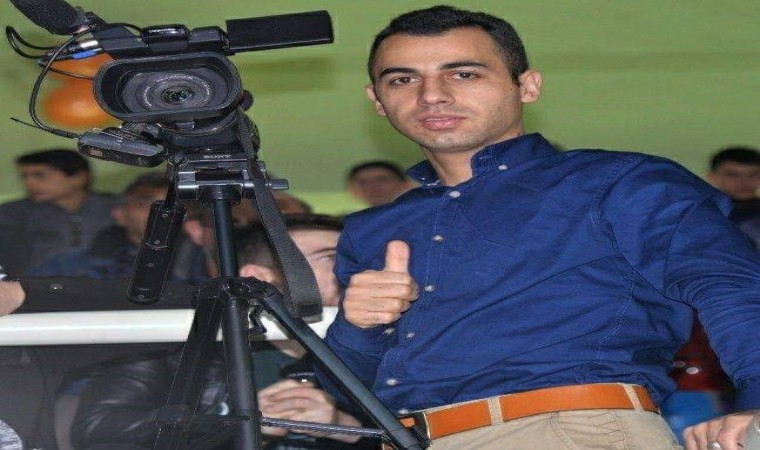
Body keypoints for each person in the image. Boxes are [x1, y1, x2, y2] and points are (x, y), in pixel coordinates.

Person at [322, 6, 759, 450]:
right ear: (377, 100)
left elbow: (728, 284)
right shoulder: (370, 230)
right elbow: (347, 395)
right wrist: (357, 327)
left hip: (565, 429)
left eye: (464, 74)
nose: (432, 95)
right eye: (402, 79)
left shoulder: (618, 182)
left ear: (527, 86)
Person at [70, 215, 376, 449]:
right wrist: (235, 421)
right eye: (331, 258)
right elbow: (99, 428)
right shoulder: (176, 341)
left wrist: (345, 427)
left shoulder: (387, 346)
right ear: (259, 278)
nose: (353, 271)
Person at [0, 149, 117, 276]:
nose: (29, 183)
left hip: (106, 285)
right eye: (24, 177)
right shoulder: (10, 214)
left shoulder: (117, 209)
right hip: (35, 285)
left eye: (40, 175)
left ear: (79, 177)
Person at [706, 146, 759, 248]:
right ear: (712, 177)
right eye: (732, 175)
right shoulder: (703, 212)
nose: (743, 182)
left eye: (752, 175)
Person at [346, 160, 415, 207]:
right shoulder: (349, 222)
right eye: (363, 183)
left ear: (406, 185)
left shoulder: (418, 215)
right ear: (352, 190)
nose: (372, 187)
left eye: (382, 180)